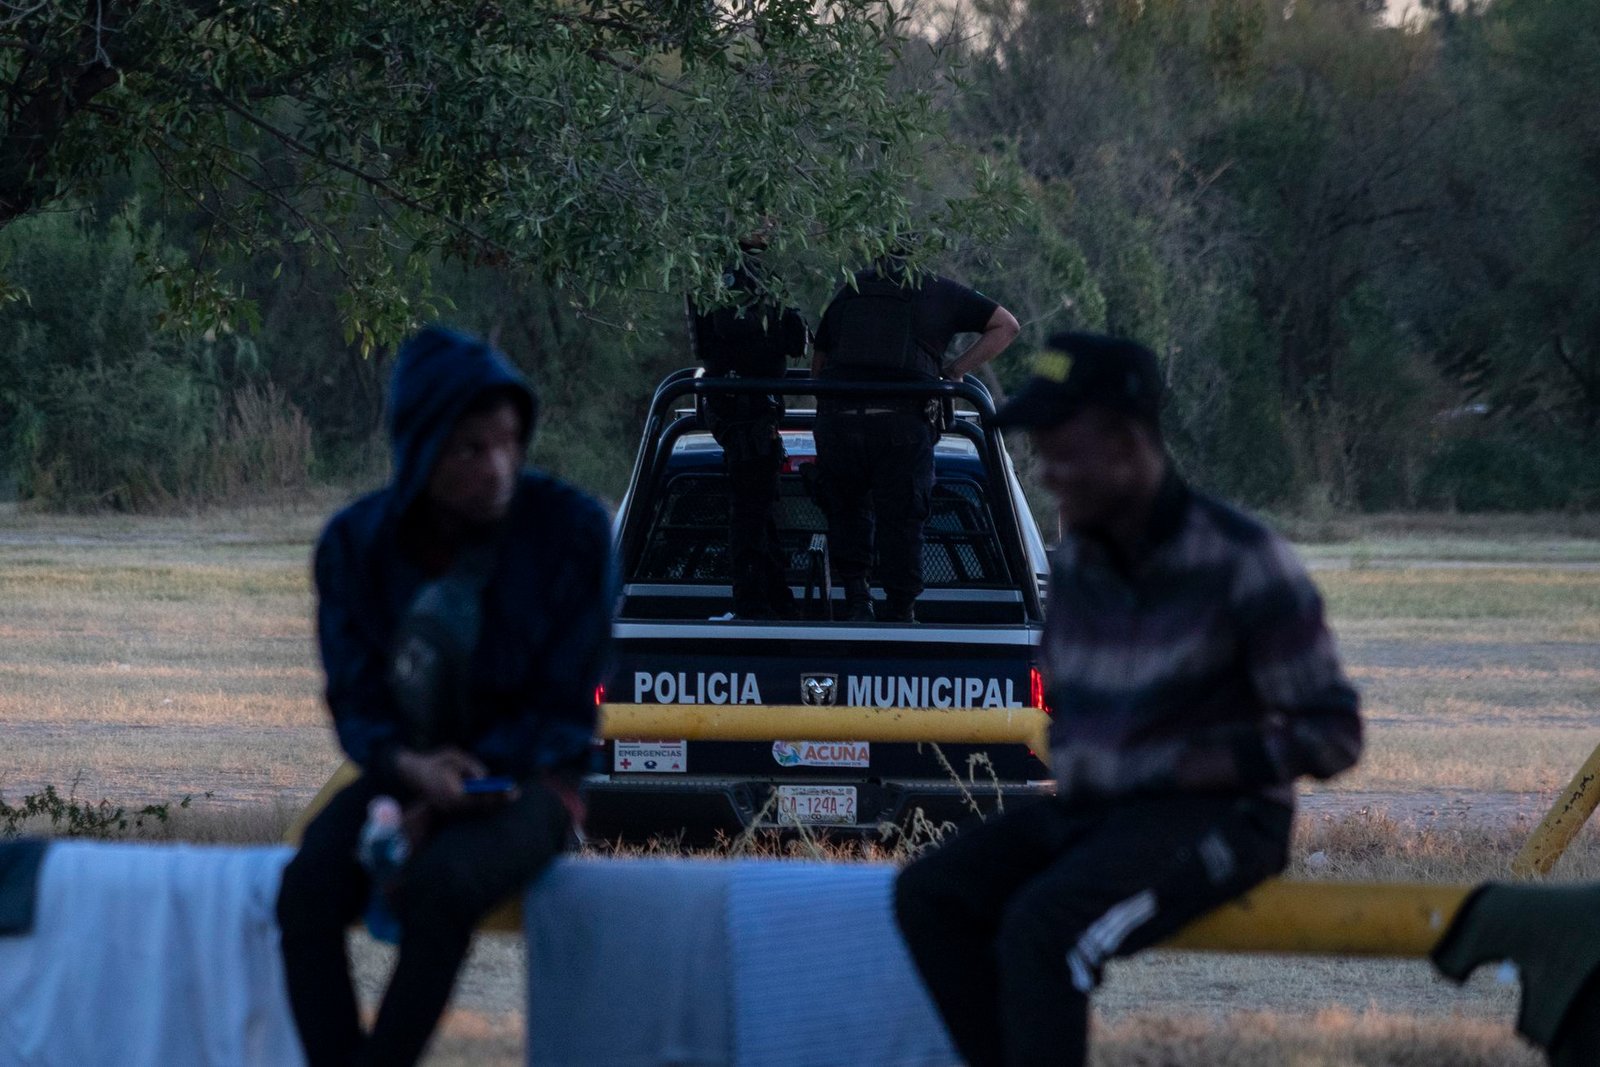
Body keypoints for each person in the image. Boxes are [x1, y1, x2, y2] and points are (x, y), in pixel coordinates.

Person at [893, 332, 1363, 1067]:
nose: (1047, 472)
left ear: (1126, 438)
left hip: (1224, 818)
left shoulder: (1242, 561)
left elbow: (1335, 734)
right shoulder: (1077, 564)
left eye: (1061, 448)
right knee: (928, 896)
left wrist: (1200, 762)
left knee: (1043, 930)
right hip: (1102, 813)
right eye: (1039, 450)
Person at [276, 326, 615, 1067]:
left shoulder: (572, 533)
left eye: (507, 442)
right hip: (406, 770)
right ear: (421, 448)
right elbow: (356, 702)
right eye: (470, 449)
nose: (498, 467)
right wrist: (414, 773)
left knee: (443, 884)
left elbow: (565, 712)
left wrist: (470, 783)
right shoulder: (354, 547)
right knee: (305, 888)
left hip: (535, 777)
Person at [811, 254, 1018, 622]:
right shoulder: (938, 289)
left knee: (846, 512)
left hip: (840, 425)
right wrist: (953, 372)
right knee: (903, 520)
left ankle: (858, 600)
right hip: (903, 427)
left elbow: (819, 363)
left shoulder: (850, 288)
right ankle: (901, 614)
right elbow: (1007, 326)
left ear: (876, 253)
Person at [687, 239, 811, 619]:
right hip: (746, 410)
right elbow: (792, 339)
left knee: (756, 506)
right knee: (751, 508)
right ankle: (754, 603)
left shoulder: (717, 274)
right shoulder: (741, 278)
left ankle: (774, 599)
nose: (772, 228)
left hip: (739, 408)